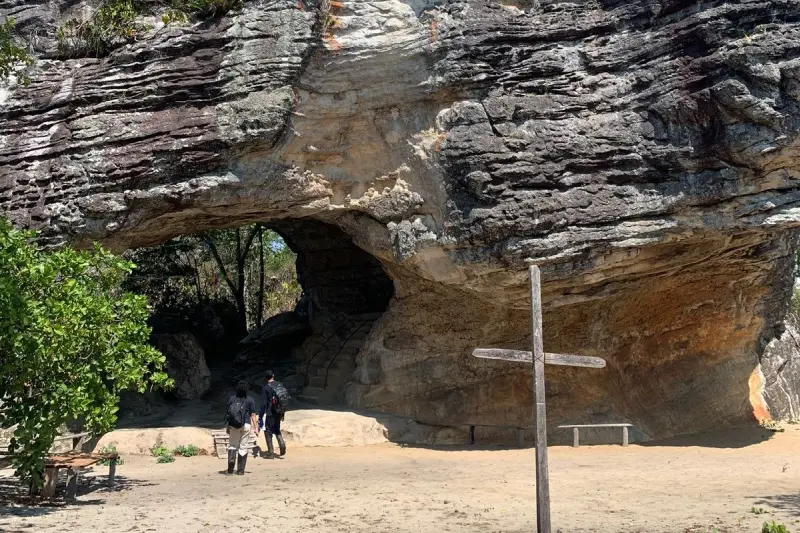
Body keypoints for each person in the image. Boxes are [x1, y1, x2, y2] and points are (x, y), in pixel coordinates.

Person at [226, 380, 258, 475]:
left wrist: (228, 426)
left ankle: (231, 466)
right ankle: (240, 470)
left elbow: (229, 414)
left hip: (233, 425)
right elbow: (253, 414)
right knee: (243, 446)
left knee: (232, 445)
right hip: (246, 425)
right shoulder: (250, 400)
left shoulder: (232, 399)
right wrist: (256, 427)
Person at [259, 370, 287, 459]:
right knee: (277, 429)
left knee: (268, 431)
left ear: (265, 378)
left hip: (270, 411)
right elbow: (283, 399)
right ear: (273, 376)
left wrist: (260, 416)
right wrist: (283, 412)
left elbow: (263, 404)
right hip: (279, 411)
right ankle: (282, 445)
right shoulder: (279, 384)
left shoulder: (265, 388)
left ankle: (270, 452)